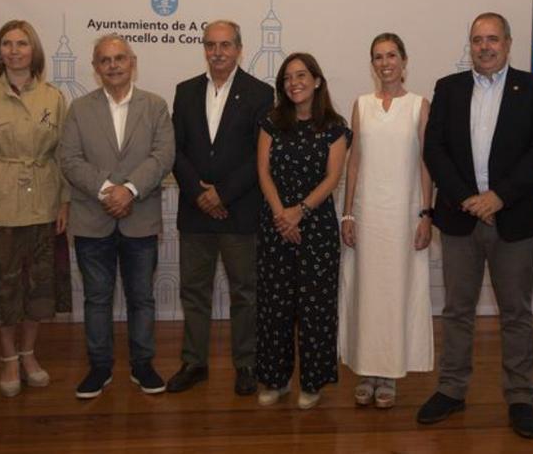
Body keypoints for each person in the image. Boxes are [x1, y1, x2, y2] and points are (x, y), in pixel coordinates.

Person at [418, 12, 533, 440]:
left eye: (493, 39)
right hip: (460, 217)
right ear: (470, 45)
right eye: (477, 39)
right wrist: (468, 199)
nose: (485, 46)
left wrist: (498, 197)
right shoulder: (448, 88)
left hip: (513, 217)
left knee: (516, 313)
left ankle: (520, 397)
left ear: (508, 43)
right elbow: (434, 150)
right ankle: (451, 389)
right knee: (457, 310)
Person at [0, 19, 72, 398]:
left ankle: (29, 353)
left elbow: (64, 156)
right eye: (7, 44)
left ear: (33, 51)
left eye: (22, 43)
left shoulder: (53, 98)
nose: (15, 50)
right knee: (3, 288)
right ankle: (7, 357)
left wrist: (65, 201)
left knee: (38, 288)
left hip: (43, 205)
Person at [58, 34, 175, 399]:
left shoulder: (155, 106)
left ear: (132, 62)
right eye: (105, 60)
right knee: (96, 299)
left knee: (142, 298)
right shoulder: (78, 109)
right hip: (93, 217)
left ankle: (142, 365)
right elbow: (69, 159)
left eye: (120, 58)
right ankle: (99, 367)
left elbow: (163, 155)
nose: (113, 65)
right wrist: (109, 190)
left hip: (140, 217)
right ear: (95, 68)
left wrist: (130, 191)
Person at [167, 21, 274, 396]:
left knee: (245, 292)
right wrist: (200, 192)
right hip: (195, 211)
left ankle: (246, 363)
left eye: (225, 45)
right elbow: (174, 150)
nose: (218, 52)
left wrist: (222, 194)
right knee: (194, 292)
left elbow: (260, 155)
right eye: (211, 45)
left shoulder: (261, 93)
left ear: (239, 48)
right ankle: (194, 362)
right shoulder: (185, 91)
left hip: (239, 210)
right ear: (204, 49)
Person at [338, 33, 433, 409]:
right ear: (372, 63)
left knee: (396, 293)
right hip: (367, 212)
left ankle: (390, 374)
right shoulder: (361, 105)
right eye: (378, 57)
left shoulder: (419, 106)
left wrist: (427, 213)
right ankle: (366, 370)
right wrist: (347, 211)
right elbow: (354, 160)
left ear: (404, 60)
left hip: (404, 215)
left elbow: (427, 164)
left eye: (391, 55)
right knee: (366, 292)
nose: (385, 63)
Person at [255, 52, 350, 410]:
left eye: (301, 76)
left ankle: (312, 383)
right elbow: (263, 172)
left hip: (317, 230)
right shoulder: (271, 122)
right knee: (274, 307)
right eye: (287, 78)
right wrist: (282, 215)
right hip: (274, 225)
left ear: (317, 81)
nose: (293, 83)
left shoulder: (335, 126)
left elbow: (333, 177)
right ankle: (276, 380)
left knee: (315, 309)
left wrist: (300, 212)